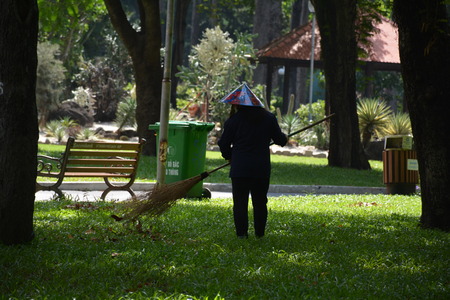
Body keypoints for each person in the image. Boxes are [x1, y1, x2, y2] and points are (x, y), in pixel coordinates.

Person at [218, 92, 287, 239]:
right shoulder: (268, 118)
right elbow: (280, 140)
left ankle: (242, 234)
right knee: (260, 202)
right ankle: (259, 234)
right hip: (260, 168)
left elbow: (223, 144)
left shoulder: (233, 121)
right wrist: (284, 138)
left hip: (240, 169)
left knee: (240, 203)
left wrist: (230, 157)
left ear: (238, 104)